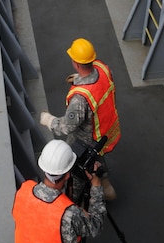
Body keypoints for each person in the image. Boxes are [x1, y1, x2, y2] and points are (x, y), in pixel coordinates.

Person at [39, 38, 121, 201]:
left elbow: (67, 127)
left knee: (76, 170)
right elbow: (98, 82)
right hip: (105, 130)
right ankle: (106, 186)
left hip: (86, 139)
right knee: (98, 156)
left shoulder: (80, 99)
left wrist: (49, 121)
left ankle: (73, 201)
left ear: (76, 63)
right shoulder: (103, 69)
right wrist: (79, 79)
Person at [12, 139, 105, 243]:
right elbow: (96, 226)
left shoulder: (24, 190)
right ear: (67, 175)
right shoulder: (70, 213)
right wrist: (96, 185)